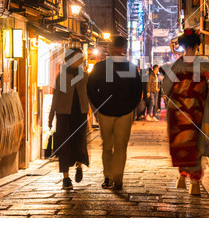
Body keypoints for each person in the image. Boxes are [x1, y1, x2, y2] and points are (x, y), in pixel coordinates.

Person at [162, 29, 209, 195]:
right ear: (196, 45)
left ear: (181, 45)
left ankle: (182, 176)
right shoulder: (205, 66)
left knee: (182, 144)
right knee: (197, 144)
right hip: (198, 111)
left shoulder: (177, 66)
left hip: (179, 112)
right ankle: (194, 181)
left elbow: (166, 88)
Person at [87, 36, 142, 190]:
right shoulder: (101, 67)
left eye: (120, 47)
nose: (118, 50)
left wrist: (130, 106)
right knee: (109, 146)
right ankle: (109, 176)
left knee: (119, 146)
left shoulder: (130, 68)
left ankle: (116, 178)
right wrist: (99, 107)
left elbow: (137, 91)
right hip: (109, 112)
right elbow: (91, 88)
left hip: (121, 112)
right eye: (117, 47)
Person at [48, 48, 90, 190]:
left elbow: (89, 95)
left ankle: (79, 165)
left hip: (80, 114)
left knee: (79, 142)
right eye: (79, 57)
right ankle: (66, 178)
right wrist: (51, 116)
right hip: (64, 115)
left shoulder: (84, 76)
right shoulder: (62, 76)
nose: (81, 60)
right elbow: (56, 96)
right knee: (64, 146)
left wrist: (96, 113)